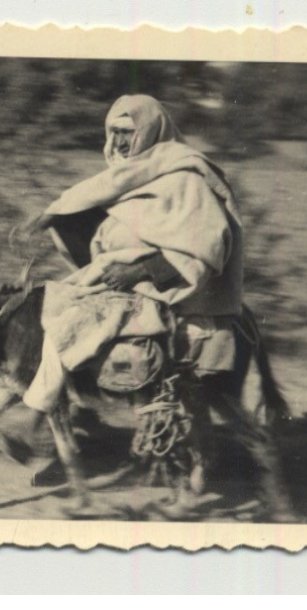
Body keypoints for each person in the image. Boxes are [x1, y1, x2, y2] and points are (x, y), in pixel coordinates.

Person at [20, 94, 243, 417]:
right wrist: (52, 217)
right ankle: (81, 414)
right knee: (48, 308)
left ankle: (36, 416)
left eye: (128, 133)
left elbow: (205, 247)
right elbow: (87, 201)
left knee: (76, 326)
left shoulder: (186, 179)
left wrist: (139, 272)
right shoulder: (130, 175)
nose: (121, 142)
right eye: (115, 132)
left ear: (151, 130)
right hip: (111, 276)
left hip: (158, 288)